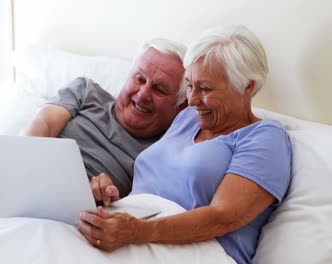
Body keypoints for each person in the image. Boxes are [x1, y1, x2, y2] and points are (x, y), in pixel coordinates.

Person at [77, 25, 292, 264]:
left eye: (206, 88)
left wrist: (137, 231)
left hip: (198, 250)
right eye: (190, 85)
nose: (192, 99)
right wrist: (108, 196)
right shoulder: (187, 117)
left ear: (247, 87)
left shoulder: (265, 138)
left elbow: (223, 217)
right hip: (134, 233)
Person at [23, 39, 188, 197]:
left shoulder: (162, 154)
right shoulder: (86, 91)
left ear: (180, 107)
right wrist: (26, 170)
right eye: (139, 79)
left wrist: (107, 196)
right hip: (29, 177)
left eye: (159, 89)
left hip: (75, 213)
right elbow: (43, 123)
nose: (143, 94)